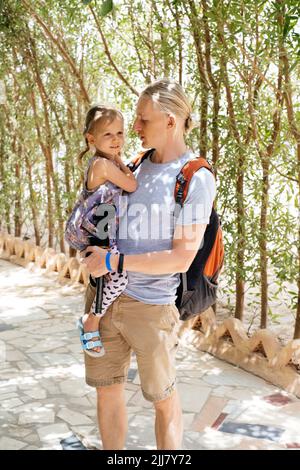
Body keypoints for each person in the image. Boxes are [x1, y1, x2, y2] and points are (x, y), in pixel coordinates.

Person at [81, 79, 216, 449]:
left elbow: (181, 256)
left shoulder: (194, 178)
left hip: (152, 308)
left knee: (163, 400)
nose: (135, 129)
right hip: (104, 300)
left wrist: (113, 259)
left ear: (170, 121)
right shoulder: (133, 166)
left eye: (143, 120)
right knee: (107, 392)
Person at [65, 104, 137, 357]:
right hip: (96, 234)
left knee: (108, 279)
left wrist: (117, 160)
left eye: (120, 133)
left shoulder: (105, 163)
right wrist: (121, 162)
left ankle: (92, 320)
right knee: (117, 278)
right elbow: (131, 184)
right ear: (91, 138)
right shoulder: (104, 166)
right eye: (108, 134)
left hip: (102, 232)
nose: (116, 139)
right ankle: (91, 321)